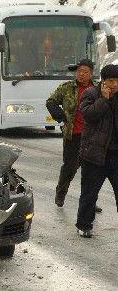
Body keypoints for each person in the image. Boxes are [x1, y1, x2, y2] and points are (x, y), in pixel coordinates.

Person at [46, 58, 101, 212]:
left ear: (91, 74)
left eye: (85, 72)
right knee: (70, 168)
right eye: (79, 71)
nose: (81, 74)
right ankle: (61, 193)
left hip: (93, 137)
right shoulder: (67, 87)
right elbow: (51, 101)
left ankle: (90, 202)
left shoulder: (98, 89)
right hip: (73, 135)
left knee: (91, 172)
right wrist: (58, 114)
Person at [76, 64, 118, 237]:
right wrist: (104, 99)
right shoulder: (91, 94)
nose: (114, 84)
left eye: (117, 80)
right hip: (94, 155)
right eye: (111, 80)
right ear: (103, 81)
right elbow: (88, 114)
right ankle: (84, 225)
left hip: (116, 156)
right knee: (89, 193)